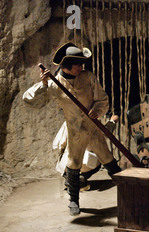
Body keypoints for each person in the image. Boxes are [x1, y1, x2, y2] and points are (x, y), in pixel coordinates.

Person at [23, 42, 122, 216]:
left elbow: (103, 99)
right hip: (75, 130)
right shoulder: (54, 84)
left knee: (108, 158)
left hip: (93, 127)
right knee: (73, 163)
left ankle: (129, 191)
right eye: (78, 64)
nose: (81, 67)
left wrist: (97, 111)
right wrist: (44, 84)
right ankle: (74, 202)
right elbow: (29, 100)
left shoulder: (88, 77)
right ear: (67, 66)